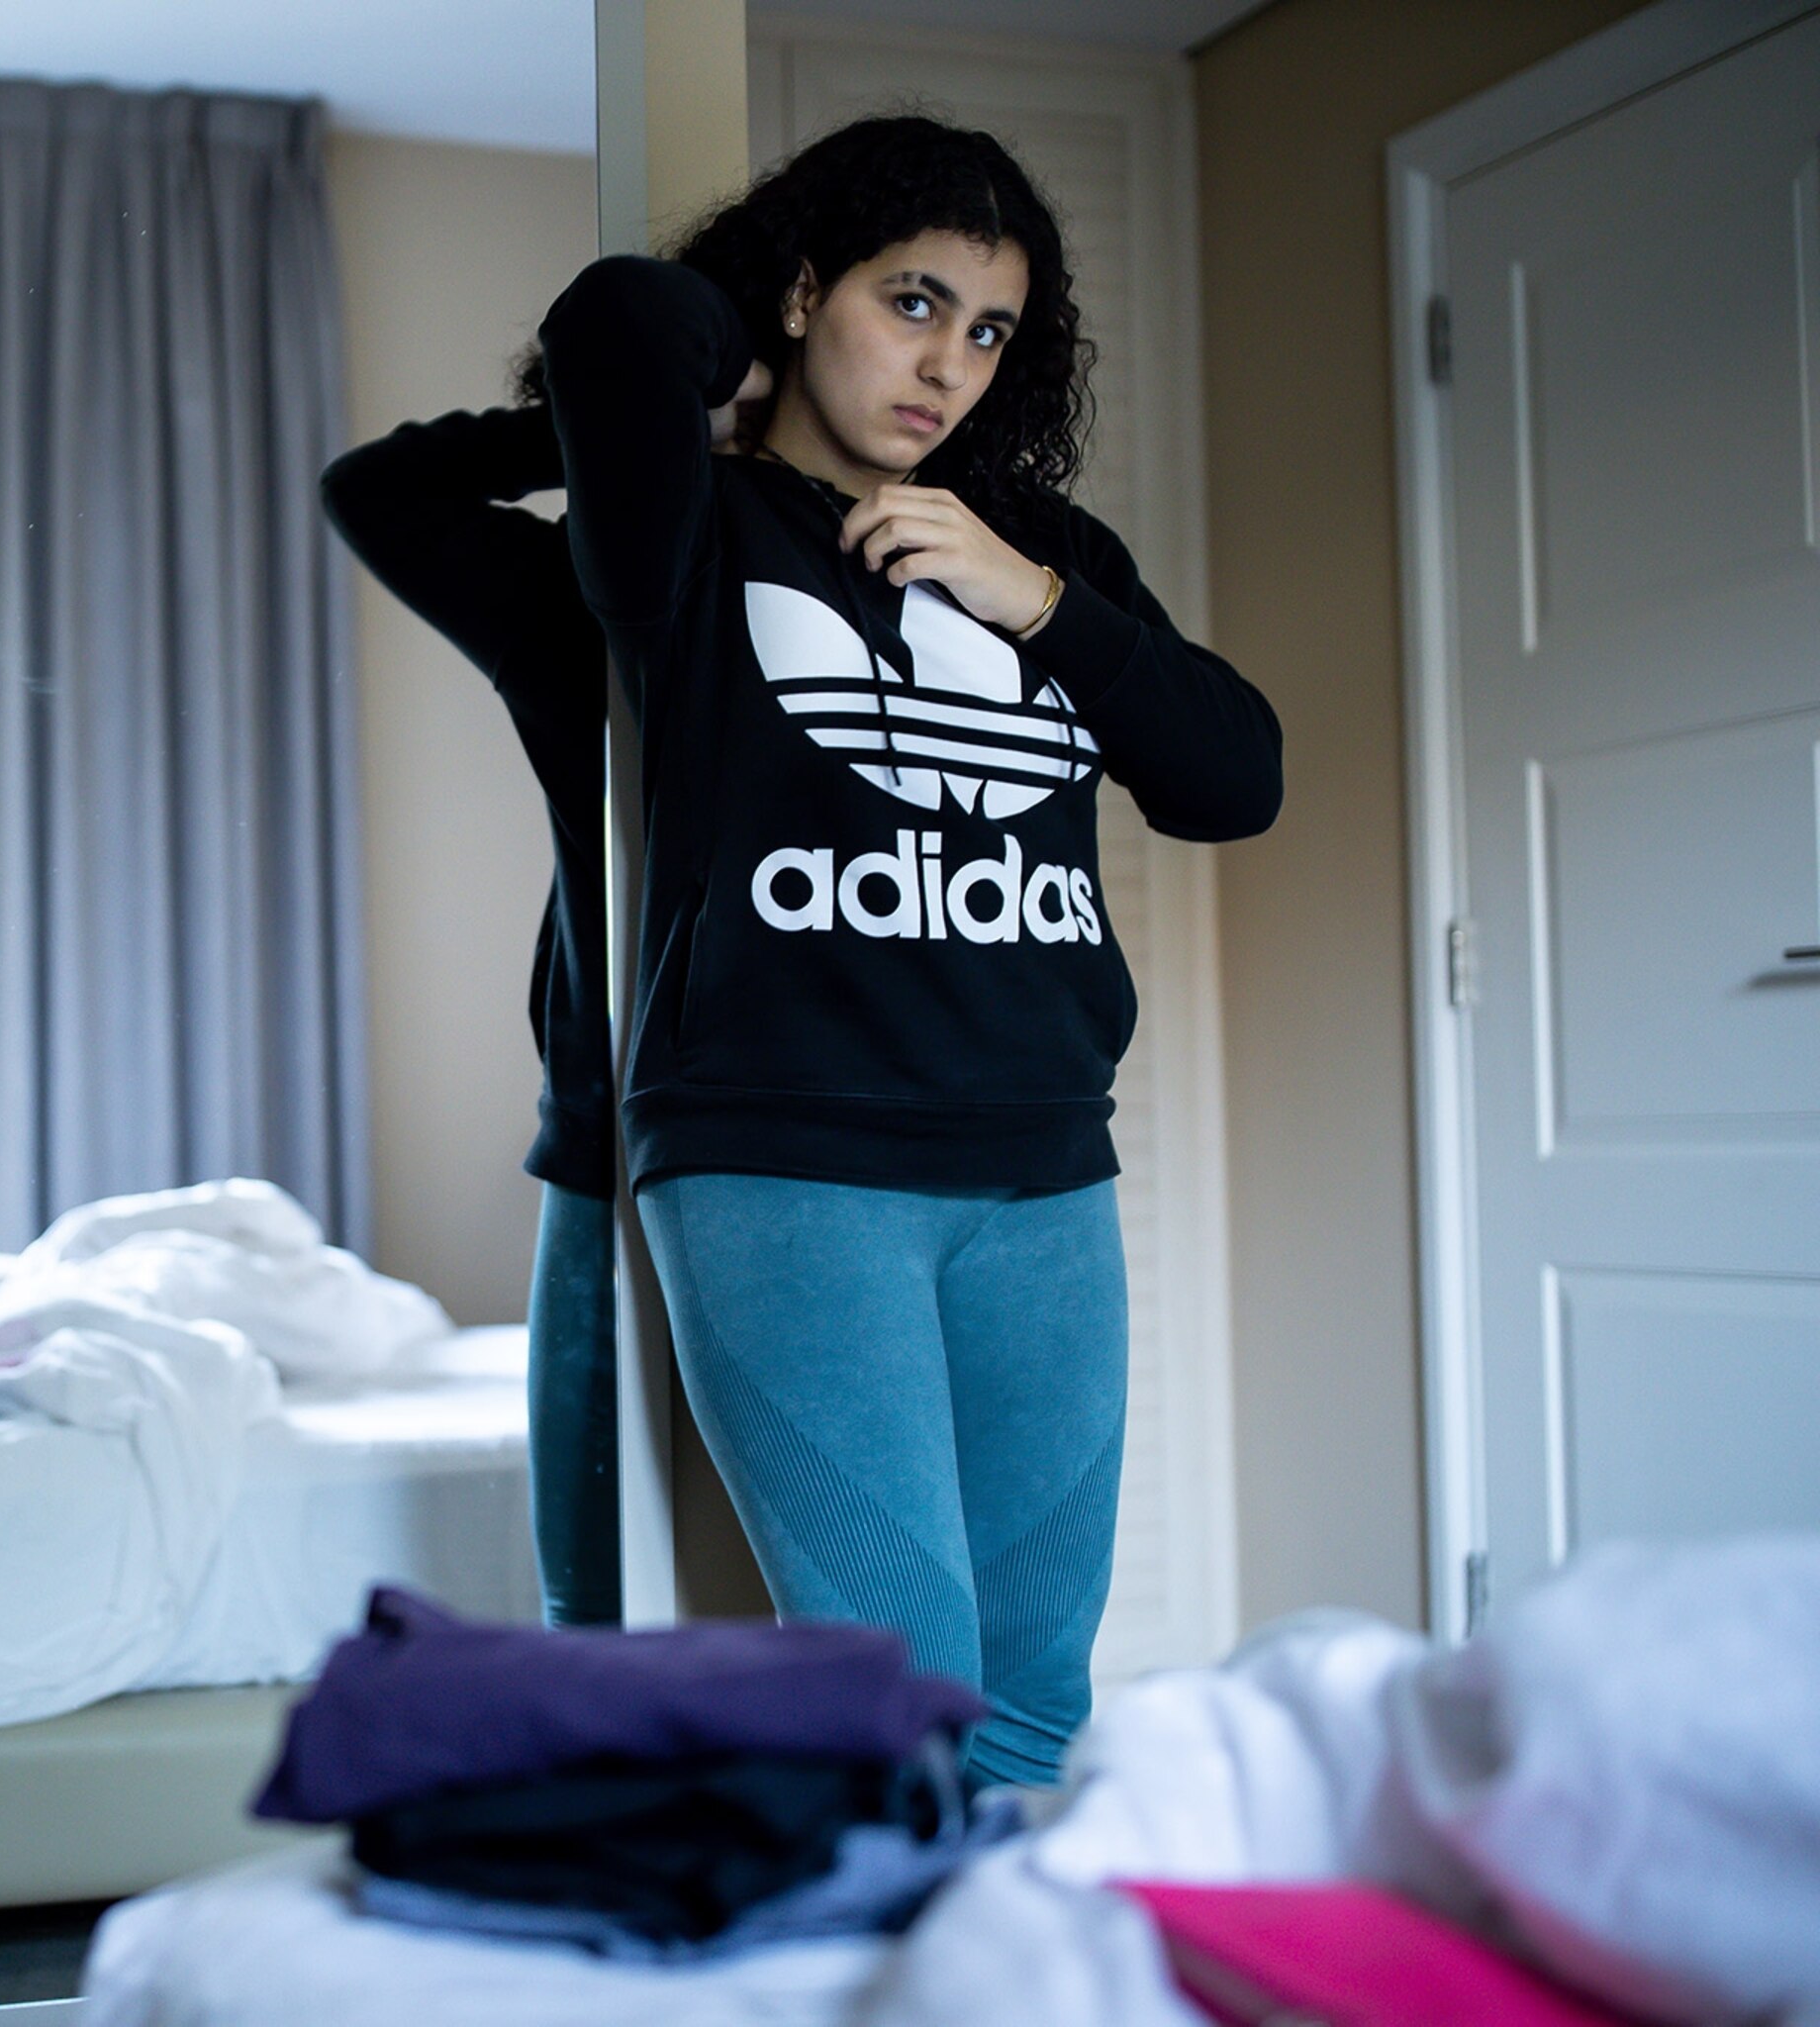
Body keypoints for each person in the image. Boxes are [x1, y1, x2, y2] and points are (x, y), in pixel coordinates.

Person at [534, 115, 1284, 1786]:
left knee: (1032, 1699)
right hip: (785, 1162)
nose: (947, 363)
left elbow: (1232, 782)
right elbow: (613, 324)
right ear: (806, 292)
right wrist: (747, 308)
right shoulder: (693, 532)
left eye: (991, 330)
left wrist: (1035, 599)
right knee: (902, 1697)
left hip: (1040, 1162)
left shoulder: (1047, 562)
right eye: (910, 300)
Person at [322, 405, 619, 1627]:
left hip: (847, 1159)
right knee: (588, 1595)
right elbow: (377, 492)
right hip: (608, 1147)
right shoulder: (578, 614)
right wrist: (618, 423)